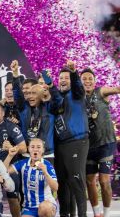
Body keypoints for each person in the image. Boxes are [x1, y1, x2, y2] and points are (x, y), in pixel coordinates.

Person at [81, 68, 120, 217]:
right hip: (88, 145)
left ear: (95, 81)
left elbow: (116, 89)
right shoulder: (78, 98)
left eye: (90, 78)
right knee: (90, 181)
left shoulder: (101, 92)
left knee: (104, 181)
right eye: (84, 78)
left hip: (106, 144)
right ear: (80, 81)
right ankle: (97, 213)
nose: (88, 81)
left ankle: (107, 213)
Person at [55, 60, 89, 217]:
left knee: (76, 181)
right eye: (60, 77)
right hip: (60, 145)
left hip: (77, 142)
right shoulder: (57, 97)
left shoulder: (76, 94)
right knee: (63, 183)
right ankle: (65, 214)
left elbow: (78, 86)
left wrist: (74, 73)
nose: (62, 80)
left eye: (66, 78)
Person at [4, 138, 58, 217]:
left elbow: (55, 188)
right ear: (28, 149)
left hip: (46, 204)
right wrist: (10, 155)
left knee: (45, 208)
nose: (35, 149)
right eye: (32, 147)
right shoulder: (23, 163)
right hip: (29, 207)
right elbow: (4, 171)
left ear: (43, 150)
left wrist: (45, 173)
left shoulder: (47, 165)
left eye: (38, 147)